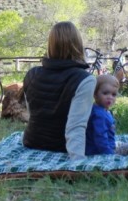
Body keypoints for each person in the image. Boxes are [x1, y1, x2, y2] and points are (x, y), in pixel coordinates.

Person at [22, 21, 94, 159]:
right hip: (61, 148)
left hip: (31, 142)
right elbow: (76, 125)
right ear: (78, 44)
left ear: (51, 45)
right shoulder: (85, 79)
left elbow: (34, 117)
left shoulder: (31, 74)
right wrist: (78, 162)